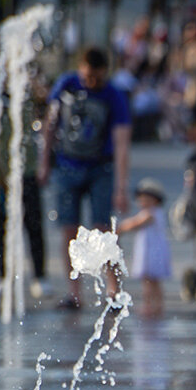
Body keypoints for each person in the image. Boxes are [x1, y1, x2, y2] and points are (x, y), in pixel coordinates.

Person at [40, 45, 132, 308]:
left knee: (104, 230)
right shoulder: (66, 84)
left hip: (100, 169)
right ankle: (74, 294)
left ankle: (114, 292)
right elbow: (50, 124)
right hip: (67, 167)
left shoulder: (113, 94)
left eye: (97, 78)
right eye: (88, 76)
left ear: (105, 72)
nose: (91, 82)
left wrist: (121, 188)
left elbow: (122, 143)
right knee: (69, 230)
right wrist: (44, 163)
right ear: (81, 67)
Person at [0, 48, 49, 297]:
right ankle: (3, 275)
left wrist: (26, 75)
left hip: (27, 168)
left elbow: (46, 101)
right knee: (0, 223)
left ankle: (40, 276)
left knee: (33, 222)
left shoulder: (24, 91)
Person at [116, 178, 171, 317]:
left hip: (152, 252)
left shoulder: (150, 213)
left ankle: (152, 305)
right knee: (151, 281)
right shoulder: (153, 213)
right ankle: (154, 305)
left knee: (150, 281)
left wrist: (120, 228)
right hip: (150, 250)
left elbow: (135, 223)